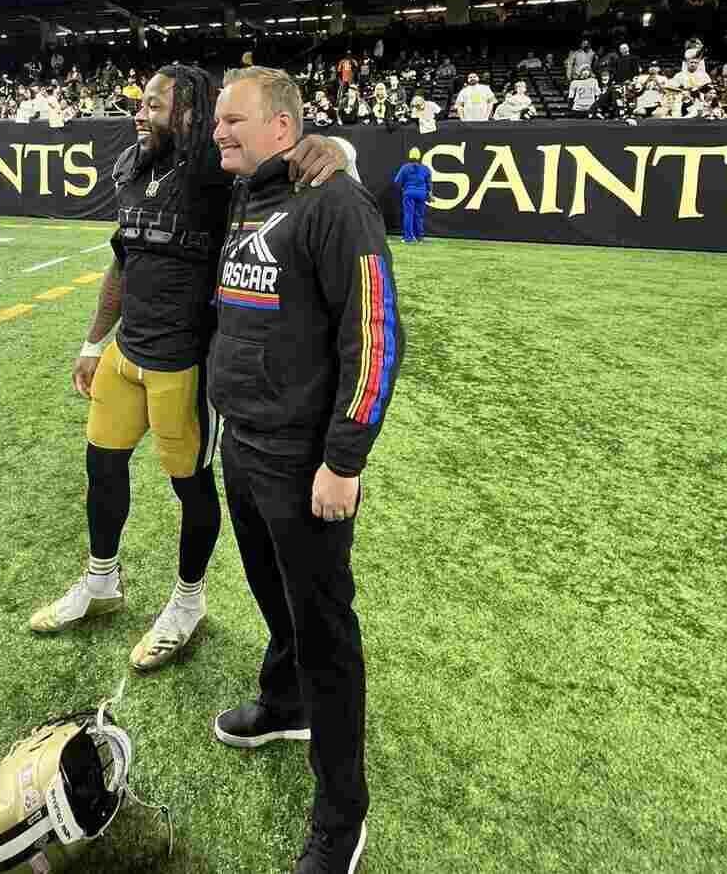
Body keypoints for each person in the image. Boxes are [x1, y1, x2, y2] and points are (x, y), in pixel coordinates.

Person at [27, 64, 360, 676]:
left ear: (185, 113)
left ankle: (188, 602)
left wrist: (335, 144)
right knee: (101, 465)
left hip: (185, 363)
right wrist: (93, 341)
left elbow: (293, 161)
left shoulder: (216, 172)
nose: (138, 112)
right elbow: (121, 264)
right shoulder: (134, 168)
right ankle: (101, 582)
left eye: (153, 104)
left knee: (190, 487)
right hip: (127, 354)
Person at [210, 66, 403, 874]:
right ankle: (286, 703)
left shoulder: (336, 202)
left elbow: (378, 334)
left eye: (233, 120)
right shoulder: (246, 196)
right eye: (215, 119)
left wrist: (342, 459)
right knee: (273, 599)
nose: (218, 132)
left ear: (284, 128)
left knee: (327, 630)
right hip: (243, 450)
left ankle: (341, 812)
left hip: (304, 464)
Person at [394, 146, 432, 243]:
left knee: (408, 214)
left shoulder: (405, 168)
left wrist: (404, 188)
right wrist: (429, 194)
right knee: (419, 216)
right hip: (421, 194)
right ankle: (420, 237)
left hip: (409, 193)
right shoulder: (425, 169)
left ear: (410, 156)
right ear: (419, 156)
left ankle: (408, 238)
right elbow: (429, 184)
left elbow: (397, 181)